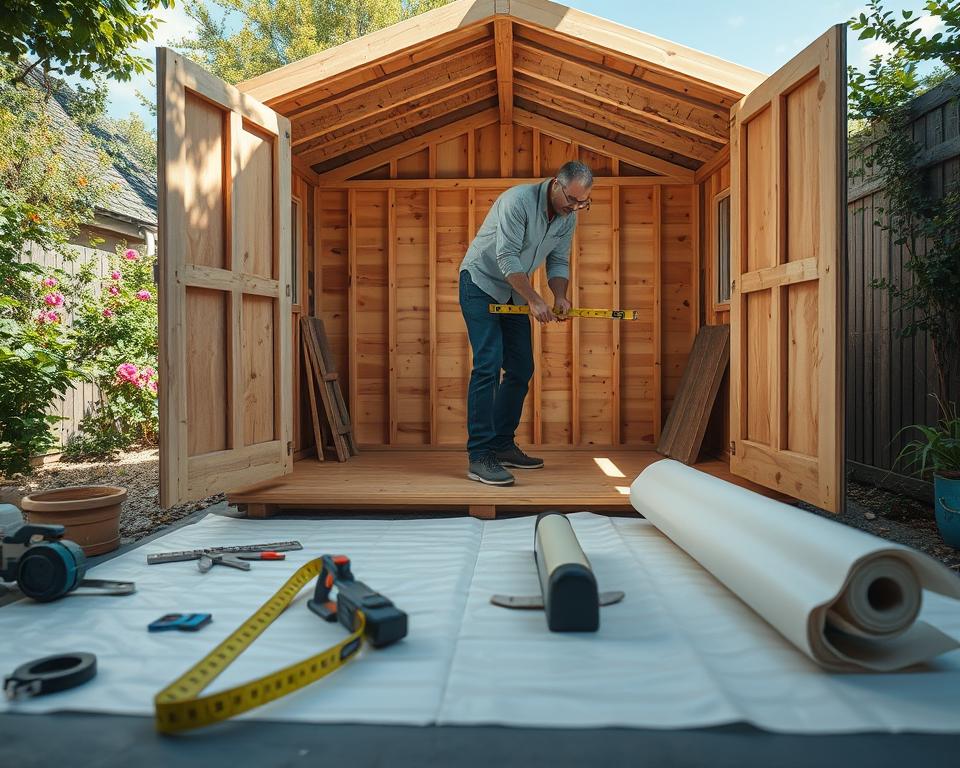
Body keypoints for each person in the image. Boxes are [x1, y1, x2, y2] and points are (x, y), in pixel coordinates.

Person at [458, 160, 593, 486]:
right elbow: (506, 258)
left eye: (582, 203)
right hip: (480, 283)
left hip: (515, 292)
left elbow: (558, 260)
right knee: (488, 363)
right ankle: (480, 456)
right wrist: (534, 298)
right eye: (572, 200)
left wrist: (559, 296)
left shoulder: (566, 217)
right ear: (555, 184)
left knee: (521, 368)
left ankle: (502, 444)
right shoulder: (516, 201)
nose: (575, 207)